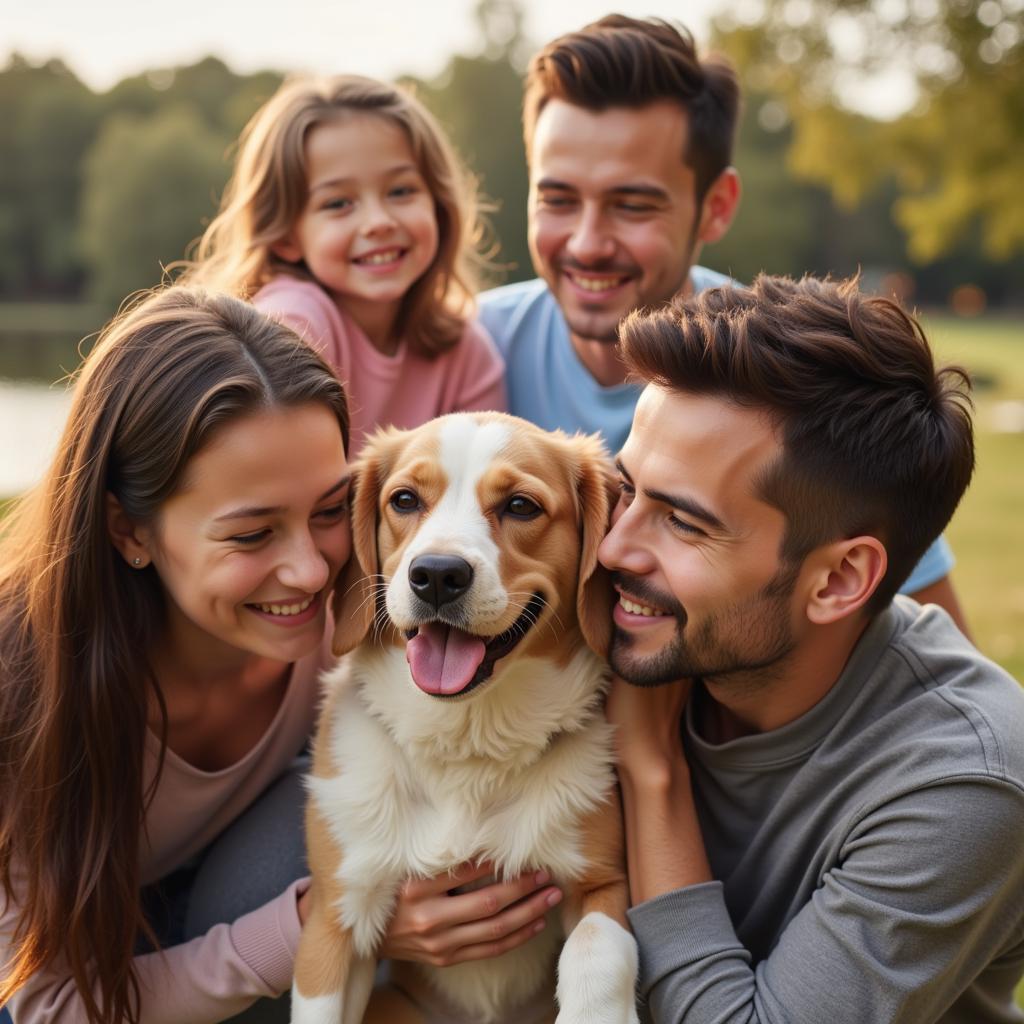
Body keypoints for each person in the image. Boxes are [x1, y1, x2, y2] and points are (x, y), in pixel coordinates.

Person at [0, 288, 557, 1024]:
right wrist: (333, 925)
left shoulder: (372, 620)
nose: (312, 571)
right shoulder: (23, 690)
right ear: (129, 532)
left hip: (218, 911)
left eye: (329, 511)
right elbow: (43, 1003)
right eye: (252, 534)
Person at [600, 273, 1024, 1023]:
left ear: (837, 579)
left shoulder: (966, 779)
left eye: (684, 523)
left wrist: (651, 767)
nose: (612, 548)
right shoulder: (622, 632)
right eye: (625, 490)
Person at [477, 14, 969, 630]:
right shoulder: (470, 347)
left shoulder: (777, 374)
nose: (587, 242)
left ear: (716, 208)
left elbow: (934, 643)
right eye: (558, 199)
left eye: (632, 205)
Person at [183, 73, 505, 457]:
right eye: (338, 203)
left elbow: (489, 484)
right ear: (285, 235)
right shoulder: (292, 327)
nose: (378, 221)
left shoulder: (466, 351)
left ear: (439, 205)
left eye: (401, 191)